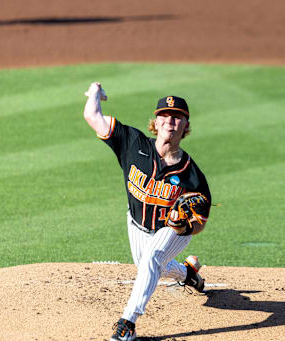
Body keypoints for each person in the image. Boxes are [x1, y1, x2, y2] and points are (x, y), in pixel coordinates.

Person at [83, 82, 212, 341]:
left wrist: (182, 225)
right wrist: (95, 92)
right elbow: (92, 116)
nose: (170, 121)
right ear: (156, 120)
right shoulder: (132, 143)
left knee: (153, 257)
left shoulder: (192, 174)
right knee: (151, 267)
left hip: (171, 232)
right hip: (137, 226)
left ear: (186, 126)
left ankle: (127, 323)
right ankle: (189, 274)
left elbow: (200, 224)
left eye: (178, 117)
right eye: (165, 115)